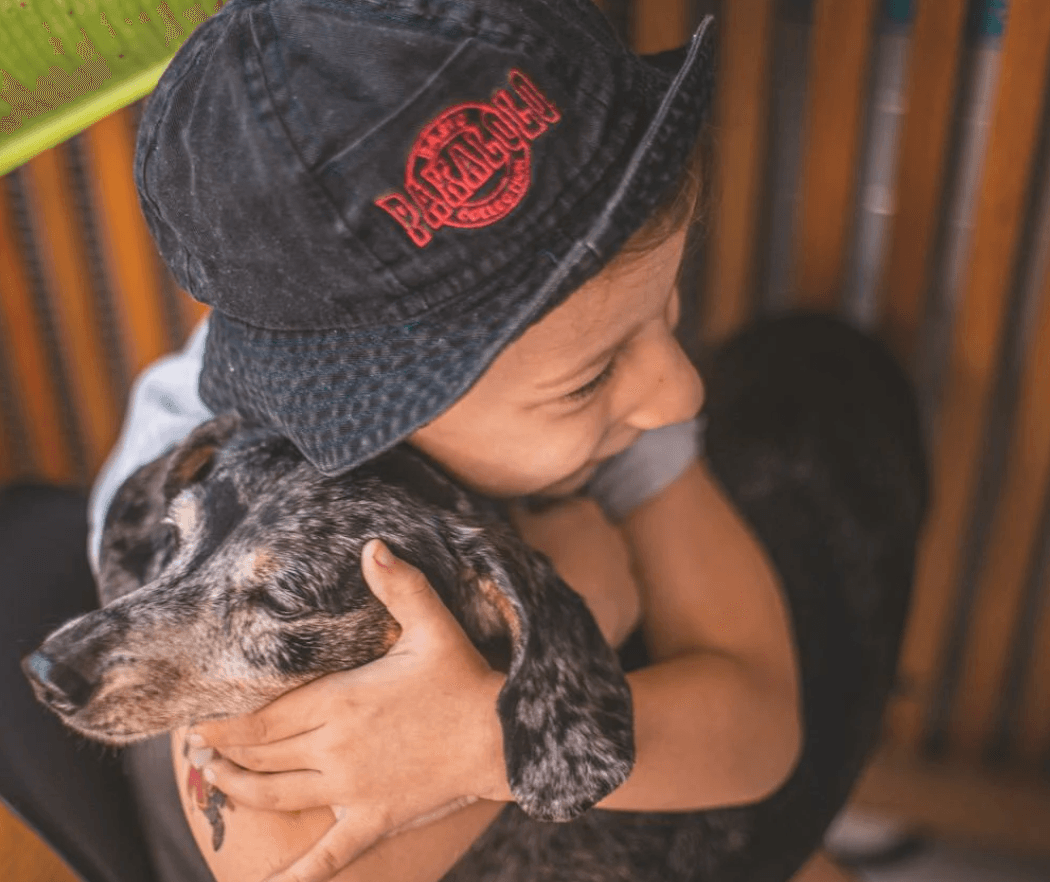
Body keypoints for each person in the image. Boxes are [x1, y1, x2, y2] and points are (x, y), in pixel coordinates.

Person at [87, 0, 869, 880]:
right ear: (381, 422)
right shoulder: (223, 520)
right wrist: (573, 625)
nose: (677, 390)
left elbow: (762, 722)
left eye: (669, 307)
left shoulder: (606, 401)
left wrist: (493, 737)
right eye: (591, 375)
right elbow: (287, 870)